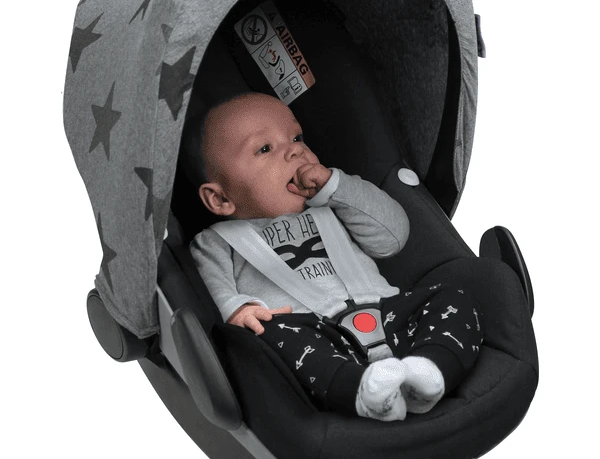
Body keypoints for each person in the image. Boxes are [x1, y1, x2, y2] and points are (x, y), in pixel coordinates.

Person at [183, 91, 484, 421]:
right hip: (308, 334)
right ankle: (363, 393)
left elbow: (392, 238)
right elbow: (212, 290)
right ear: (220, 199)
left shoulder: (334, 205)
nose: (295, 150)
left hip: (387, 312)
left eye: (296, 138)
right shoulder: (216, 241)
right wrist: (239, 309)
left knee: (452, 297)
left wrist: (336, 187)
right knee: (269, 338)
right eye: (265, 149)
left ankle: (428, 371)